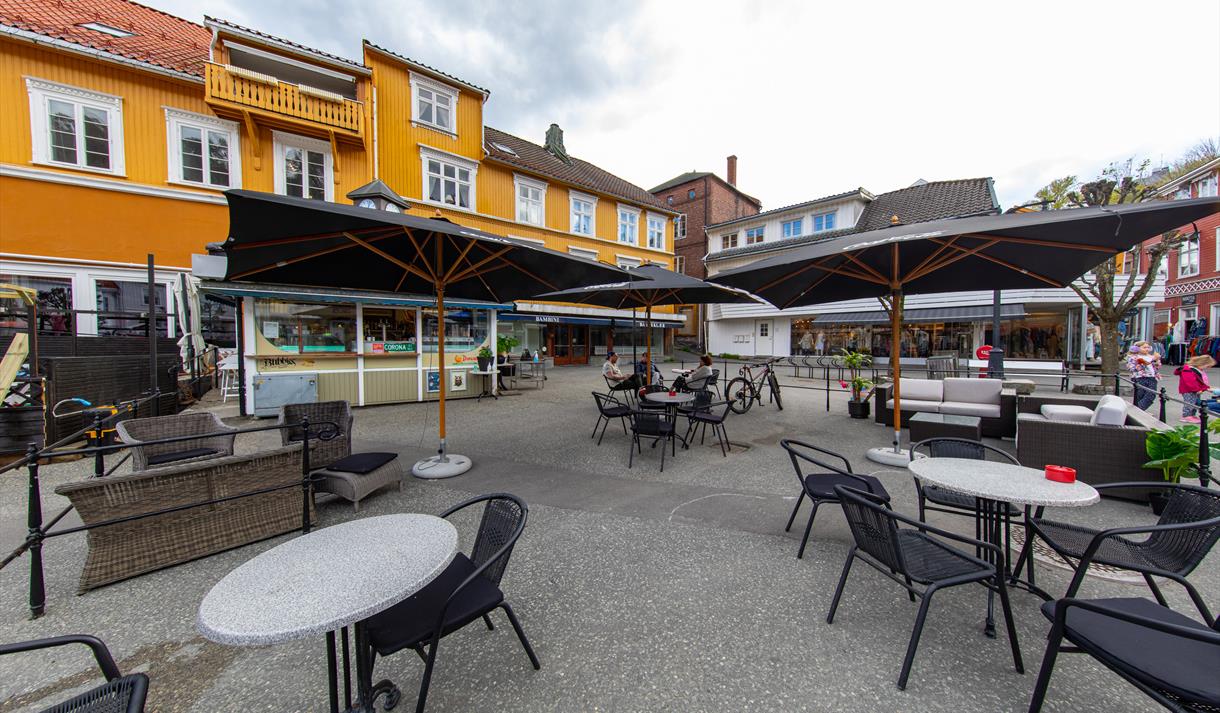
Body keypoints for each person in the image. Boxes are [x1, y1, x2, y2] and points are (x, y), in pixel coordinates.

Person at [1175, 354, 1214, 423]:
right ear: (1202, 364)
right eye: (1207, 366)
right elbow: (1190, 382)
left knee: (1195, 402)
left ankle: (1192, 415)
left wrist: (1204, 388)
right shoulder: (1188, 370)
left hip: (1194, 390)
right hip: (1189, 390)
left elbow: (1199, 381)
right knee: (1189, 403)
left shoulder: (1195, 369)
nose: (1208, 368)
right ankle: (1186, 416)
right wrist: (1197, 389)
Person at [1126, 340, 1162, 411]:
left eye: (1148, 347)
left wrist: (1157, 361)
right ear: (1137, 348)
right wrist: (1153, 360)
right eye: (1144, 347)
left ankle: (1138, 410)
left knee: (1151, 395)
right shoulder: (1134, 357)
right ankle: (1138, 411)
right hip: (1140, 378)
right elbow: (1133, 367)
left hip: (1152, 378)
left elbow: (1157, 367)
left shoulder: (1151, 356)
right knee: (1140, 395)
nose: (1147, 349)